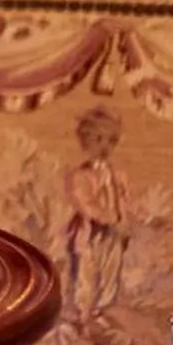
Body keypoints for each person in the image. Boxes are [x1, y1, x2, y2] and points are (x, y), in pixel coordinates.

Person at [61, 106, 130, 324]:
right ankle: (83, 313)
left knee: (110, 270)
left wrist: (123, 221)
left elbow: (123, 200)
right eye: (98, 139)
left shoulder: (117, 175)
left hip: (113, 235)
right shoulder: (79, 176)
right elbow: (85, 204)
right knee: (86, 272)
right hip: (88, 233)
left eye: (110, 141)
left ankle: (103, 310)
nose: (104, 146)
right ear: (85, 141)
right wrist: (108, 219)